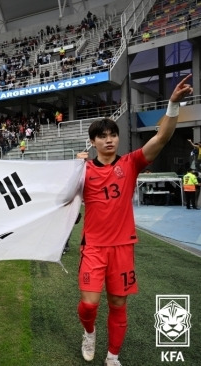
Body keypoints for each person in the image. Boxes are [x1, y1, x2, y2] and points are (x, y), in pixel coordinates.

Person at [75, 74, 192, 366]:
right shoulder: (83, 170)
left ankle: (112, 356)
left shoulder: (131, 163)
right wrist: (72, 167)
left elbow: (162, 137)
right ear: (93, 142)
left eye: (112, 134)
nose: (109, 139)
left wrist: (173, 105)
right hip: (93, 247)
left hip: (122, 247)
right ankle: (88, 331)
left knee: (118, 303)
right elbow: (59, 195)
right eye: (102, 136)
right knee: (89, 305)